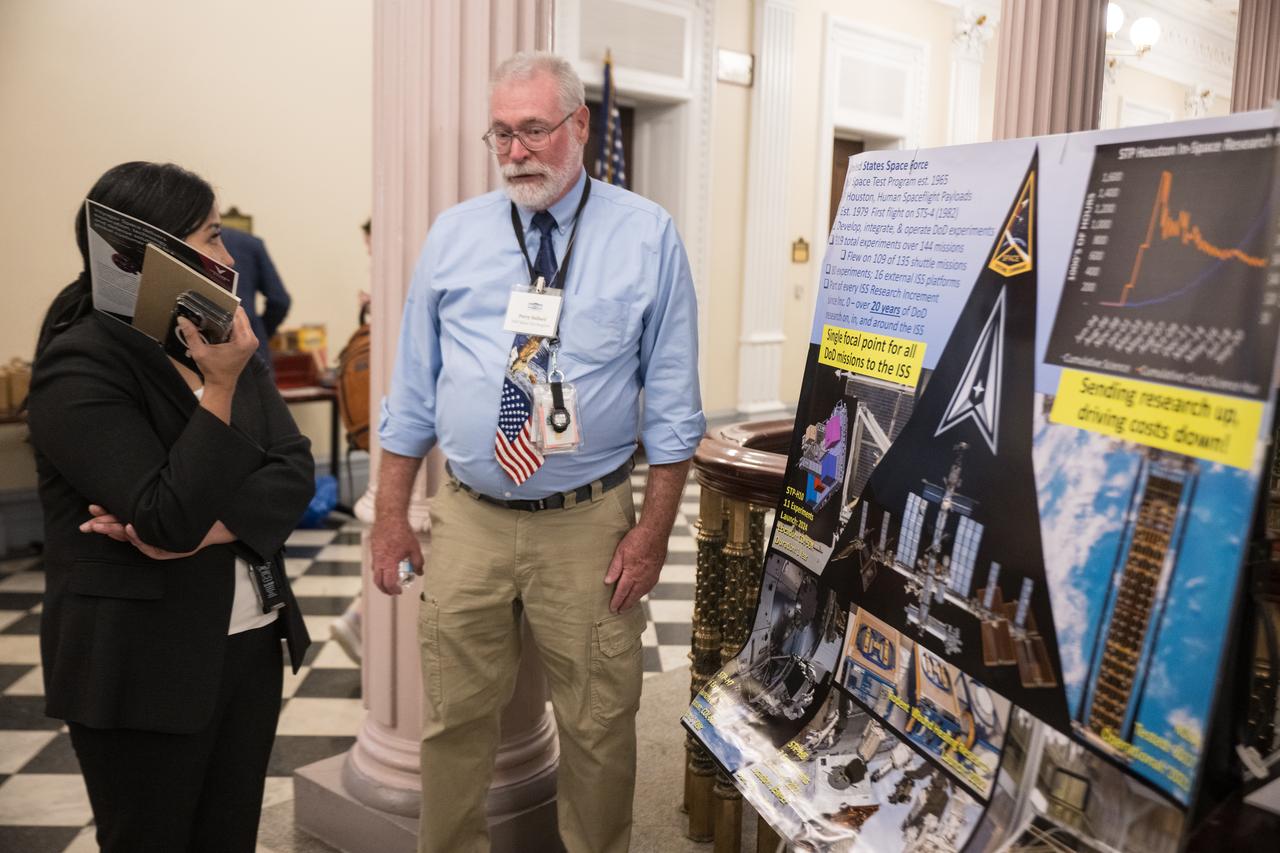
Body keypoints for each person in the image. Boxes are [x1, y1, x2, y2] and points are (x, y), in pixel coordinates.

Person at [372, 51, 705, 853]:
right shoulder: (455, 235)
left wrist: (652, 532)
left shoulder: (646, 235)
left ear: (580, 125)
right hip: (468, 517)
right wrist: (390, 514)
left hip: (587, 521)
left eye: (533, 130)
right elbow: (412, 389)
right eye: (501, 134)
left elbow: (673, 408)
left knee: (600, 720)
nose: (516, 152)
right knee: (453, 718)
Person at [27, 162, 314, 852]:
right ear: (149, 253)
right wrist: (220, 389)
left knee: (228, 836)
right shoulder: (81, 364)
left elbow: (294, 470)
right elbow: (166, 517)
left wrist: (207, 529)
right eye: (212, 237)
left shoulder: (213, 341)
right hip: (141, 661)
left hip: (248, 641)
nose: (228, 259)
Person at [220, 225, 291, 370]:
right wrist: (258, 332)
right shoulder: (250, 243)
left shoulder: (183, 238)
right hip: (254, 355)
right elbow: (280, 301)